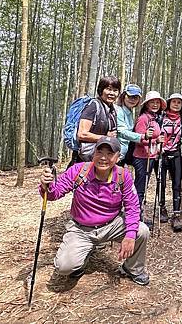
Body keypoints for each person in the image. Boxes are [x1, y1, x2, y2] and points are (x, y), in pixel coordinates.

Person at [39, 136, 150, 285]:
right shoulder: (79, 171)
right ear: (93, 153)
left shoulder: (123, 175)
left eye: (110, 154)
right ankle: (82, 259)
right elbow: (55, 193)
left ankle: (133, 268)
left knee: (141, 231)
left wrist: (130, 235)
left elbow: (132, 206)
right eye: (100, 152)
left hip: (112, 224)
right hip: (81, 229)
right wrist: (47, 185)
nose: (103, 158)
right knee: (64, 267)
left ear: (118, 157)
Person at [70, 76, 120, 167]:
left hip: (99, 159)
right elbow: (82, 134)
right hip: (83, 160)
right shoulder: (93, 106)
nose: (112, 93)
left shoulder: (112, 110)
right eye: (108, 89)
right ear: (101, 90)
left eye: (115, 90)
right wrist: (105, 137)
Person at [132, 91, 166, 221]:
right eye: (152, 102)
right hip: (141, 157)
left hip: (150, 156)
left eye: (157, 102)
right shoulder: (143, 118)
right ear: (146, 104)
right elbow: (139, 139)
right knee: (140, 188)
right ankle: (135, 217)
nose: (155, 104)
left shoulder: (154, 118)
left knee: (143, 187)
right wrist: (156, 140)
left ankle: (138, 215)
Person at [158, 93, 182, 232]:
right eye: (174, 102)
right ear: (169, 103)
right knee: (161, 182)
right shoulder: (161, 117)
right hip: (162, 153)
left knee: (177, 184)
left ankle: (176, 214)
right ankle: (162, 208)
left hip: (176, 153)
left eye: (179, 102)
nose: (176, 104)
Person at [115, 84, 153, 166]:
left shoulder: (129, 112)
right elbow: (121, 132)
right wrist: (142, 136)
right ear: (124, 96)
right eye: (129, 96)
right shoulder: (119, 111)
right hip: (115, 154)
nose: (132, 100)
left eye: (135, 97)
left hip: (123, 155)